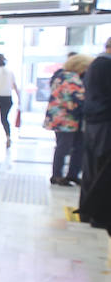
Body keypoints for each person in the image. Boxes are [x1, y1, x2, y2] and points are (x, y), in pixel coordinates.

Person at [45, 54, 92, 186]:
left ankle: (67, 175)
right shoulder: (71, 78)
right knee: (65, 147)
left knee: (71, 146)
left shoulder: (61, 76)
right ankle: (59, 175)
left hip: (62, 118)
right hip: (66, 119)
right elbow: (78, 99)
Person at [79, 42, 111, 227]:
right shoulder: (104, 64)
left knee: (94, 167)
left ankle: (90, 212)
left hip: (95, 121)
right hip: (102, 122)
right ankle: (95, 214)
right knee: (99, 168)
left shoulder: (97, 64)